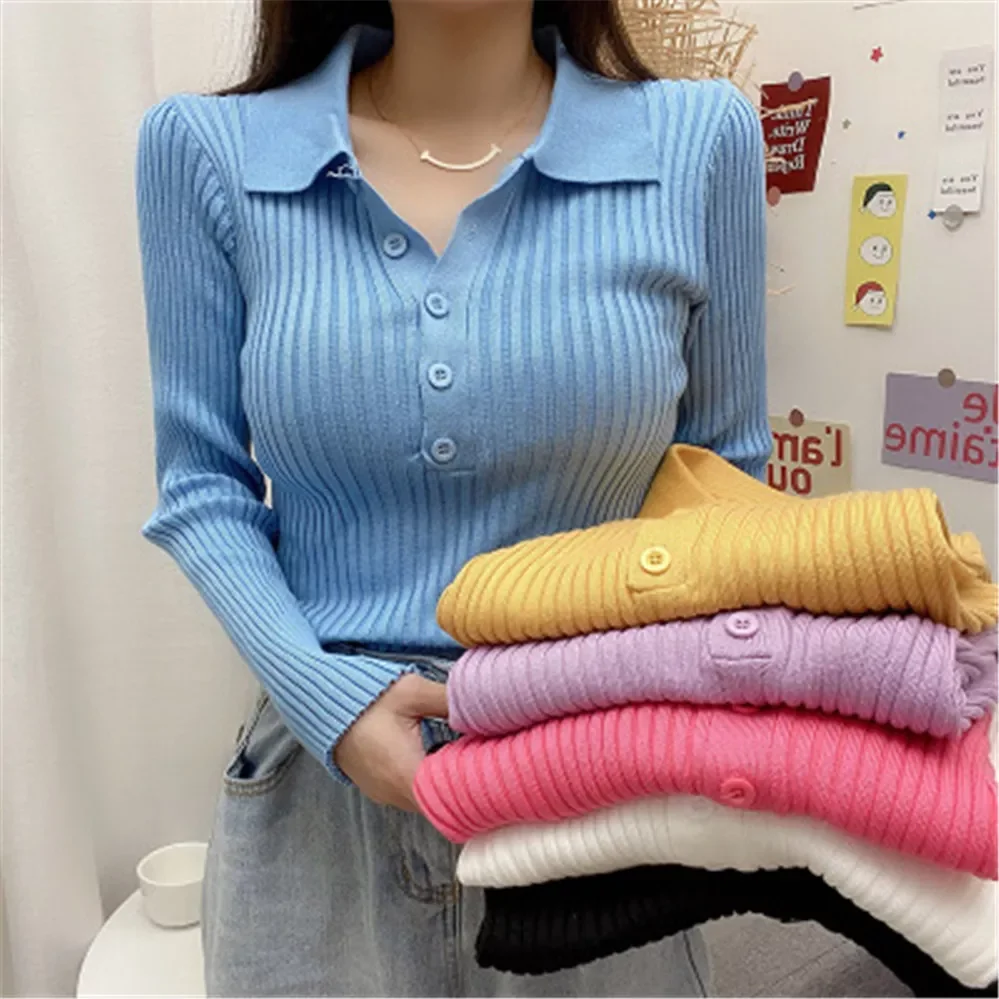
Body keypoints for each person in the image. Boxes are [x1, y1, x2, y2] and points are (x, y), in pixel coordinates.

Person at [133, 0, 770, 994]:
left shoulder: (698, 139)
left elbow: (725, 476)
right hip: (320, 796)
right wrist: (334, 706)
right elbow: (201, 481)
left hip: (600, 783)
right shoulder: (206, 151)